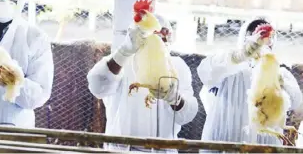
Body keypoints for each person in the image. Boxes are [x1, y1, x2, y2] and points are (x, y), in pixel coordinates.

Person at [87, 15, 198, 153]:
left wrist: (174, 98)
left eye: (160, 35)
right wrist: (123, 52)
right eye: (150, 34)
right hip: (120, 150)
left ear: (168, 38)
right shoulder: (120, 62)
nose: (154, 39)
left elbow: (187, 115)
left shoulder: (177, 66)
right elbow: (97, 87)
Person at [197, 19, 302, 147]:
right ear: (245, 39)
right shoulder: (228, 65)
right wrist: (240, 55)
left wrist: (279, 80)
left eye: (267, 38)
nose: (262, 42)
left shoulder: (281, 73)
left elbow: (295, 101)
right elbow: (205, 73)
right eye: (256, 36)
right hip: (224, 144)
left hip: (265, 147)